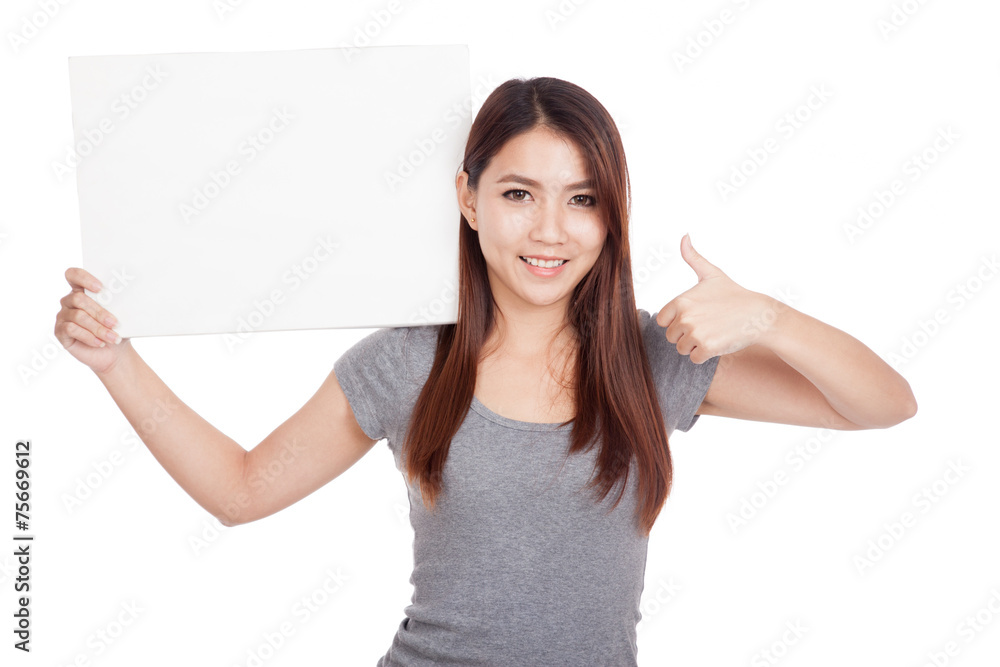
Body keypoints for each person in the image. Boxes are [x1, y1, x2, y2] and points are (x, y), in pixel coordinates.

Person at [56, 76, 917, 666]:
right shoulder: (405, 361)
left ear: (611, 215)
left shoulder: (650, 355)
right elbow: (242, 489)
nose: (550, 230)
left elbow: (881, 405)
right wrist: (114, 361)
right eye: (518, 193)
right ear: (468, 199)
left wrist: (768, 316)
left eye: (582, 199)